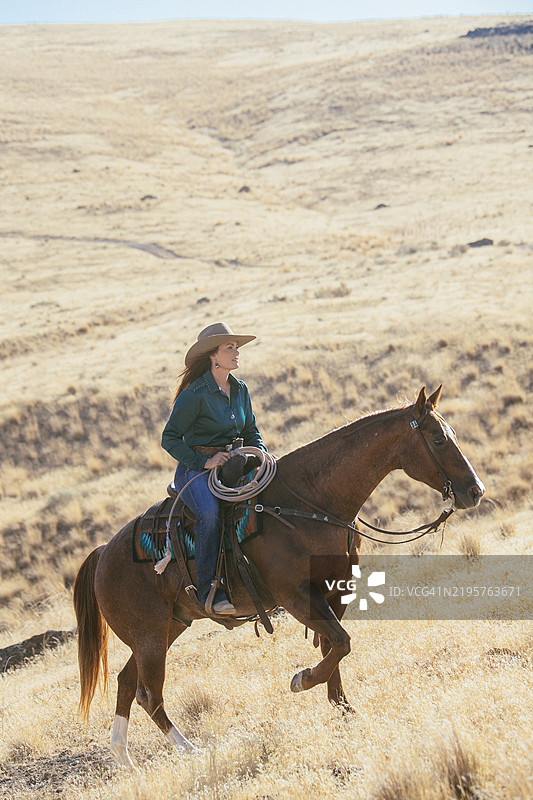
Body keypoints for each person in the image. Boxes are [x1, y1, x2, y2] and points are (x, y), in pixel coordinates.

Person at [161, 322, 267, 615]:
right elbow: (169, 438)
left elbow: (251, 430)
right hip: (196, 470)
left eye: (236, 347)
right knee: (209, 513)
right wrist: (204, 461)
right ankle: (208, 590)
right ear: (212, 356)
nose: (236, 353)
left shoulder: (240, 389)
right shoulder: (195, 394)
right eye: (229, 348)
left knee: (269, 502)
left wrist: (261, 455)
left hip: (234, 464)